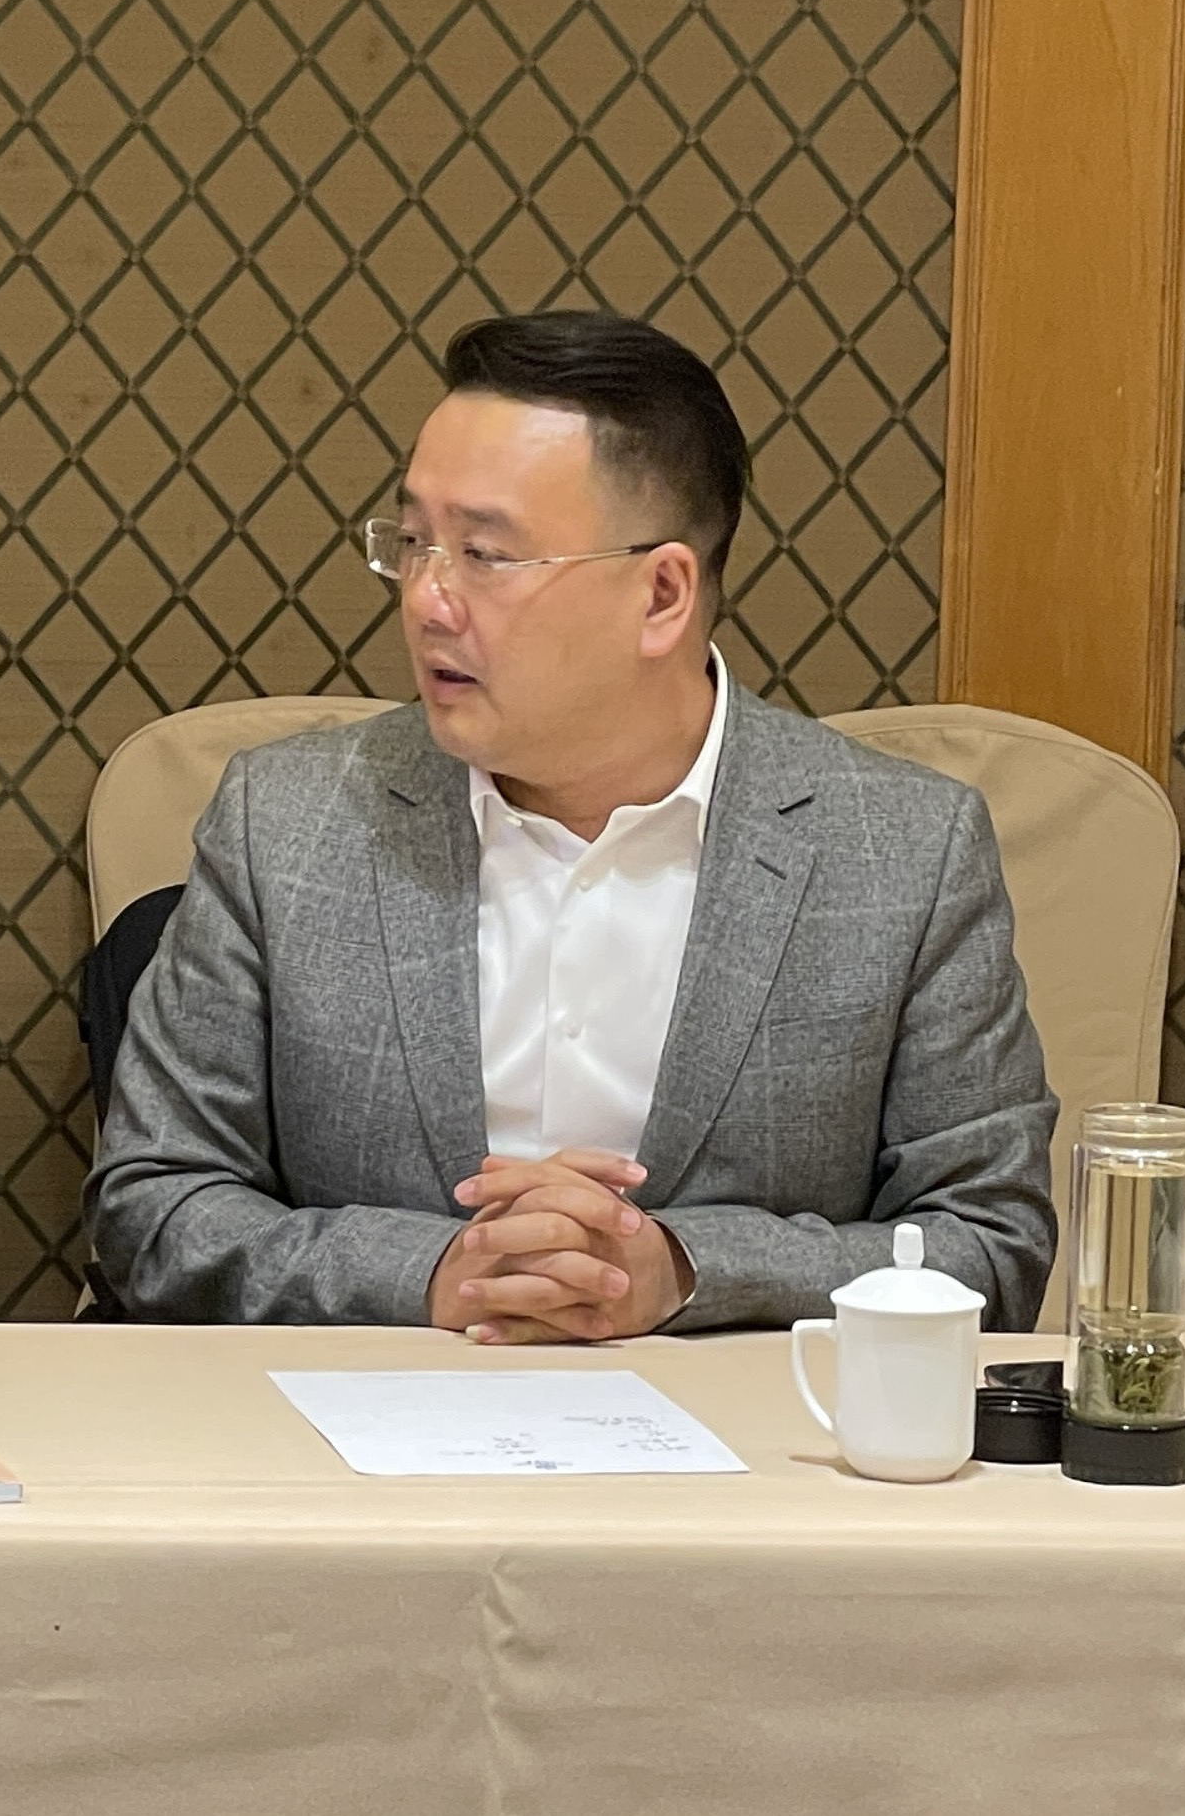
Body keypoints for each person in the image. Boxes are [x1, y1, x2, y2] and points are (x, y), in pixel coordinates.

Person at [84, 309, 1056, 1339]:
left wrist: (683, 1268)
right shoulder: (285, 825)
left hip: (748, 1434)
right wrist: (435, 1273)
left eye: (485, 554)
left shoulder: (904, 854)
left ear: (662, 593)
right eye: (413, 543)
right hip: (368, 1419)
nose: (428, 599)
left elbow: (989, 1241)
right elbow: (154, 1207)